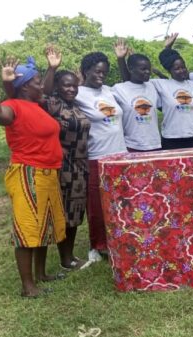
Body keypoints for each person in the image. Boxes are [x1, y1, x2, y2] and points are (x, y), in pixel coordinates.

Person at [0, 52, 66, 297]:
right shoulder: (13, 107)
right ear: (25, 87)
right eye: (36, 82)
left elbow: (46, 87)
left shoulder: (36, 105)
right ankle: (28, 286)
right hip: (28, 173)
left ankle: (41, 274)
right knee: (28, 229)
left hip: (48, 173)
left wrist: (51, 69)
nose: (41, 86)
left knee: (44, 226)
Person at [40, 46, 90, 270]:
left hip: (80, 167)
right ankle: (66, 258)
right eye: (66, 85)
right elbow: (42, 94)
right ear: (57, 88)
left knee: (76, 213)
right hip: (64, 167)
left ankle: (69, 256)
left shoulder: (75, 105)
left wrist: (81, 81)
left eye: (74, 86)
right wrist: (52, 69)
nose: (71, 89)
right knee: (65, 214)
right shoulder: (54, 105)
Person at [76, 51, 127, 262]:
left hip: (121, 155)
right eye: (97, 71)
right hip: (97, 156)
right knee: (97, 206)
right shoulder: (78, 93)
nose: (101, 76)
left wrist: (122, 59)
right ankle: (97, 246)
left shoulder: (109, 90)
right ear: (85, 71)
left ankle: (121, 238)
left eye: (104, 72)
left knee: (121, 200)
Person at [151, 33, 193, 149]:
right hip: (171, 140)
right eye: (177, 69)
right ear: (169, 70)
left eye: (183, 67)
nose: (181, 70)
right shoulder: (160, 84)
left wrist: (168, 48)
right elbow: (137, 81)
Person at [113, 48, 162, 152]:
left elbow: (170, 82)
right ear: (131, 69)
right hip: (132, 145)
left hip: (155, 144)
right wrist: (121, 59)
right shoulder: (118, 89)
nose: (147, 72)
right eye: (143, 69)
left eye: (148, 69)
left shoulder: (153, 86)